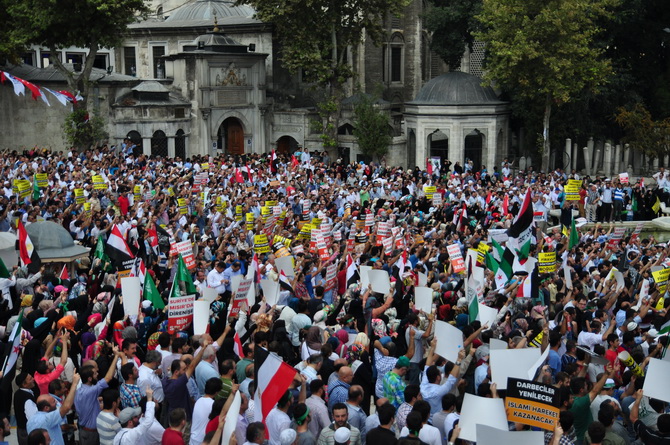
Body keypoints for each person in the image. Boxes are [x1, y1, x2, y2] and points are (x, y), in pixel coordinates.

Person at [76, 348, 121, 445]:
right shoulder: (91, 391)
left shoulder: (79, 390)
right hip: (91, 433)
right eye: (95, 374)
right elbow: (108, 378)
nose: (97, 374)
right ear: (89, 378)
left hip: (84, 431)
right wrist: (116, 356)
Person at [27, 373, 80, 445]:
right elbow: (66, 408)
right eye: (53, 402)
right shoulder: (48, 418)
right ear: (46, 408)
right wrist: (74, 384)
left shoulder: (30, 420)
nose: (56, 403)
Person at [190, 378, 224, 445]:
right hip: (203, 440)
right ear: (217, 392)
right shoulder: (213, 404)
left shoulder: (198, 401)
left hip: (193, 438)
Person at [15, 372, 38, 445]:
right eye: (30, 379)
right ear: (24, 384)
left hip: (21, 430)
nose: (33, 379)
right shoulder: (26, 398)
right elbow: (32, 417)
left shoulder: (18, 393)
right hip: (27, 432)